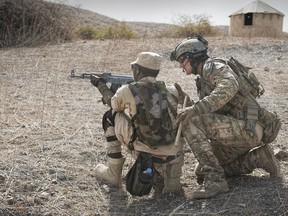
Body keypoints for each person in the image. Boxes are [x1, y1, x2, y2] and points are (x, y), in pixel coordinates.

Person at [170, 35, 281, 199]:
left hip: (247, 127)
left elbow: (230, 85)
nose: (181, 65)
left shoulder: (212, 66)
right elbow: (209, 112)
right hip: (243, 128)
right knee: (200, 172)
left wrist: (195, 108)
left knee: (190, 122)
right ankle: (259, 158)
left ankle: (216, 181)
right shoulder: (204, 76)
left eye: (182, 59)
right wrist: (184, 98)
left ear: (192, 57)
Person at [90, 51, 193, 195]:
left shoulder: (127, 91)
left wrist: (101, 86)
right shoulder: (172, 90)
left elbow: (113, 104)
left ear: (137, 70)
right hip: (173, 152)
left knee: (111, 115)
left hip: (144, 151)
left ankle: (113, 174)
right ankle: (171, 179)